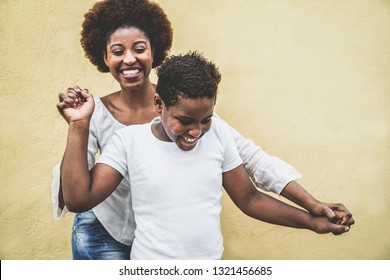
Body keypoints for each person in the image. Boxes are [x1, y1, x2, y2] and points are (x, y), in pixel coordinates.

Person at [52, 0, 354, 260]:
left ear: (154, 52)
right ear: (104, 58)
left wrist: (312, 210)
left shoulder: (195, 112)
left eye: (139, 48)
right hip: (106, 230)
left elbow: (252, 176)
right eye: (118, 51)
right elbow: (77, 194)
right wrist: (79, 124)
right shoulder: (115, 129)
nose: (129, 58)